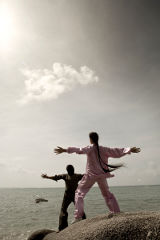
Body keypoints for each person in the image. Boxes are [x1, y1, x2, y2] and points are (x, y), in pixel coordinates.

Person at [54, 132, 141, 223]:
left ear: (91, 139)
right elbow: (116, 152)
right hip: (101, 176)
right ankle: (116, 212)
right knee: (107, 194)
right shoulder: (104, 149)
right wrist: (129, 149)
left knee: (79, 193)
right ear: (97, 139)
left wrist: (64, 150)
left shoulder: (90, 148)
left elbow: (79, 150)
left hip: (90, 176)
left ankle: (78, 216)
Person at [41, 165, 86, 231]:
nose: (71, 171)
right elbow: (56, 177)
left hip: (73, 195)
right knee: (64, 210)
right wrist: (47, 177)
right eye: (70, 170)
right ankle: (63, 227)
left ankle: (84, 222)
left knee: (70, 210)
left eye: (71, 170)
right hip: (68, 196)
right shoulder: (67, 176)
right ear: (69, 170)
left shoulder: (75, 176)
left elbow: (86, 176)